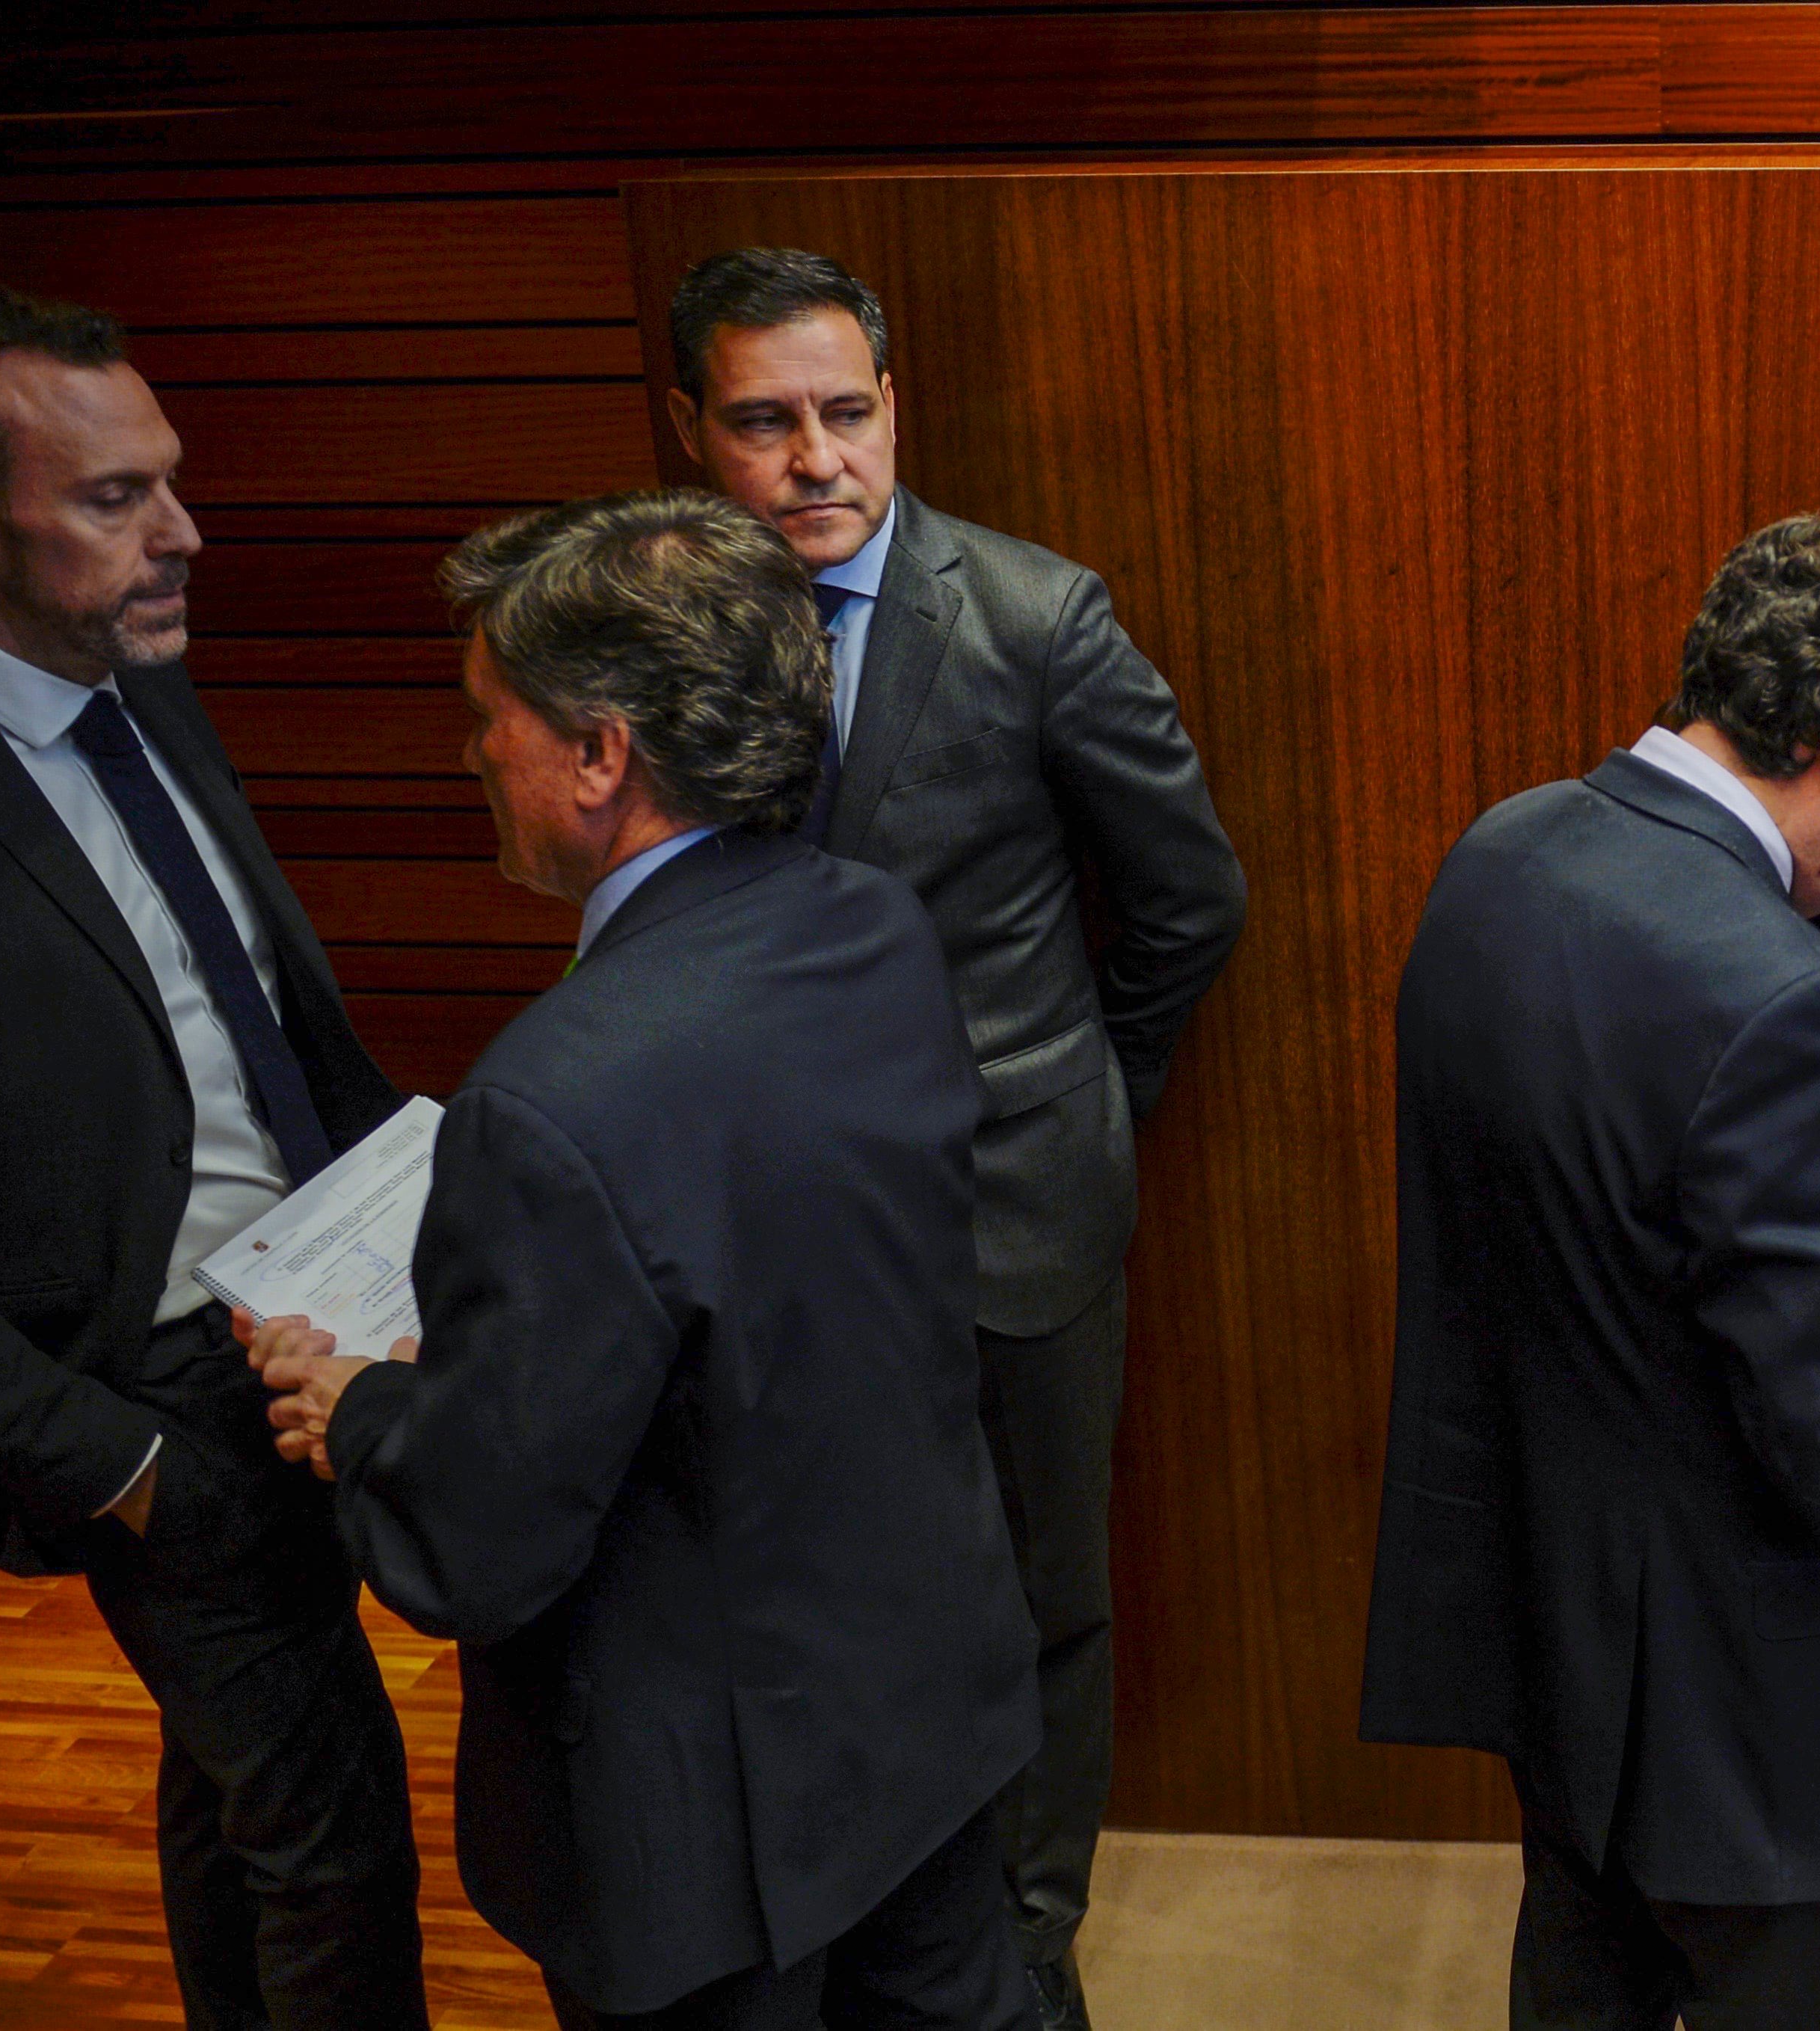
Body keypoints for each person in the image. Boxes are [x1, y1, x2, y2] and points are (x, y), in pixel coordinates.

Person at [247, 491, 1042, 2030]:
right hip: (920, 1708)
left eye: (492, 715)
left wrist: (359, 1409)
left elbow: (483, 1545)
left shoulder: (547, 1102)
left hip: (708, 1827)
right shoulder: (874, 925)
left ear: (603, 752)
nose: (472, 750)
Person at [1363, 510, 1820, 2031]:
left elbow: (1604, 1211)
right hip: (1765, 1744)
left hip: (1570, 1666)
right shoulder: (1792, 1004)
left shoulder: (1508, 850)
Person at [663, 246, 1246, 2031]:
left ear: (895, 406)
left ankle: (1026, 1945)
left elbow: (1187, 903)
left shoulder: (1035, 616)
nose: (816, 458)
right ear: (696, 433)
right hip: (758, 1224)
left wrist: (1077, 1088)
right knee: (813, 1589)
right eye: (766, 422)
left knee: (1042, 1600)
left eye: (848, 412)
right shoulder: (666, 624)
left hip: (1009, 1207)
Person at [0, 289, 429, 2030]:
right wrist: (122, 1465)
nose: (182, 533)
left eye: (173, 482)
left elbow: (267, 1014)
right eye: (114, 497)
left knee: (247, 1796)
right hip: (145, 1396)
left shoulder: (141, 677)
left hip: (296, 1318)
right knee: (331, 1835)